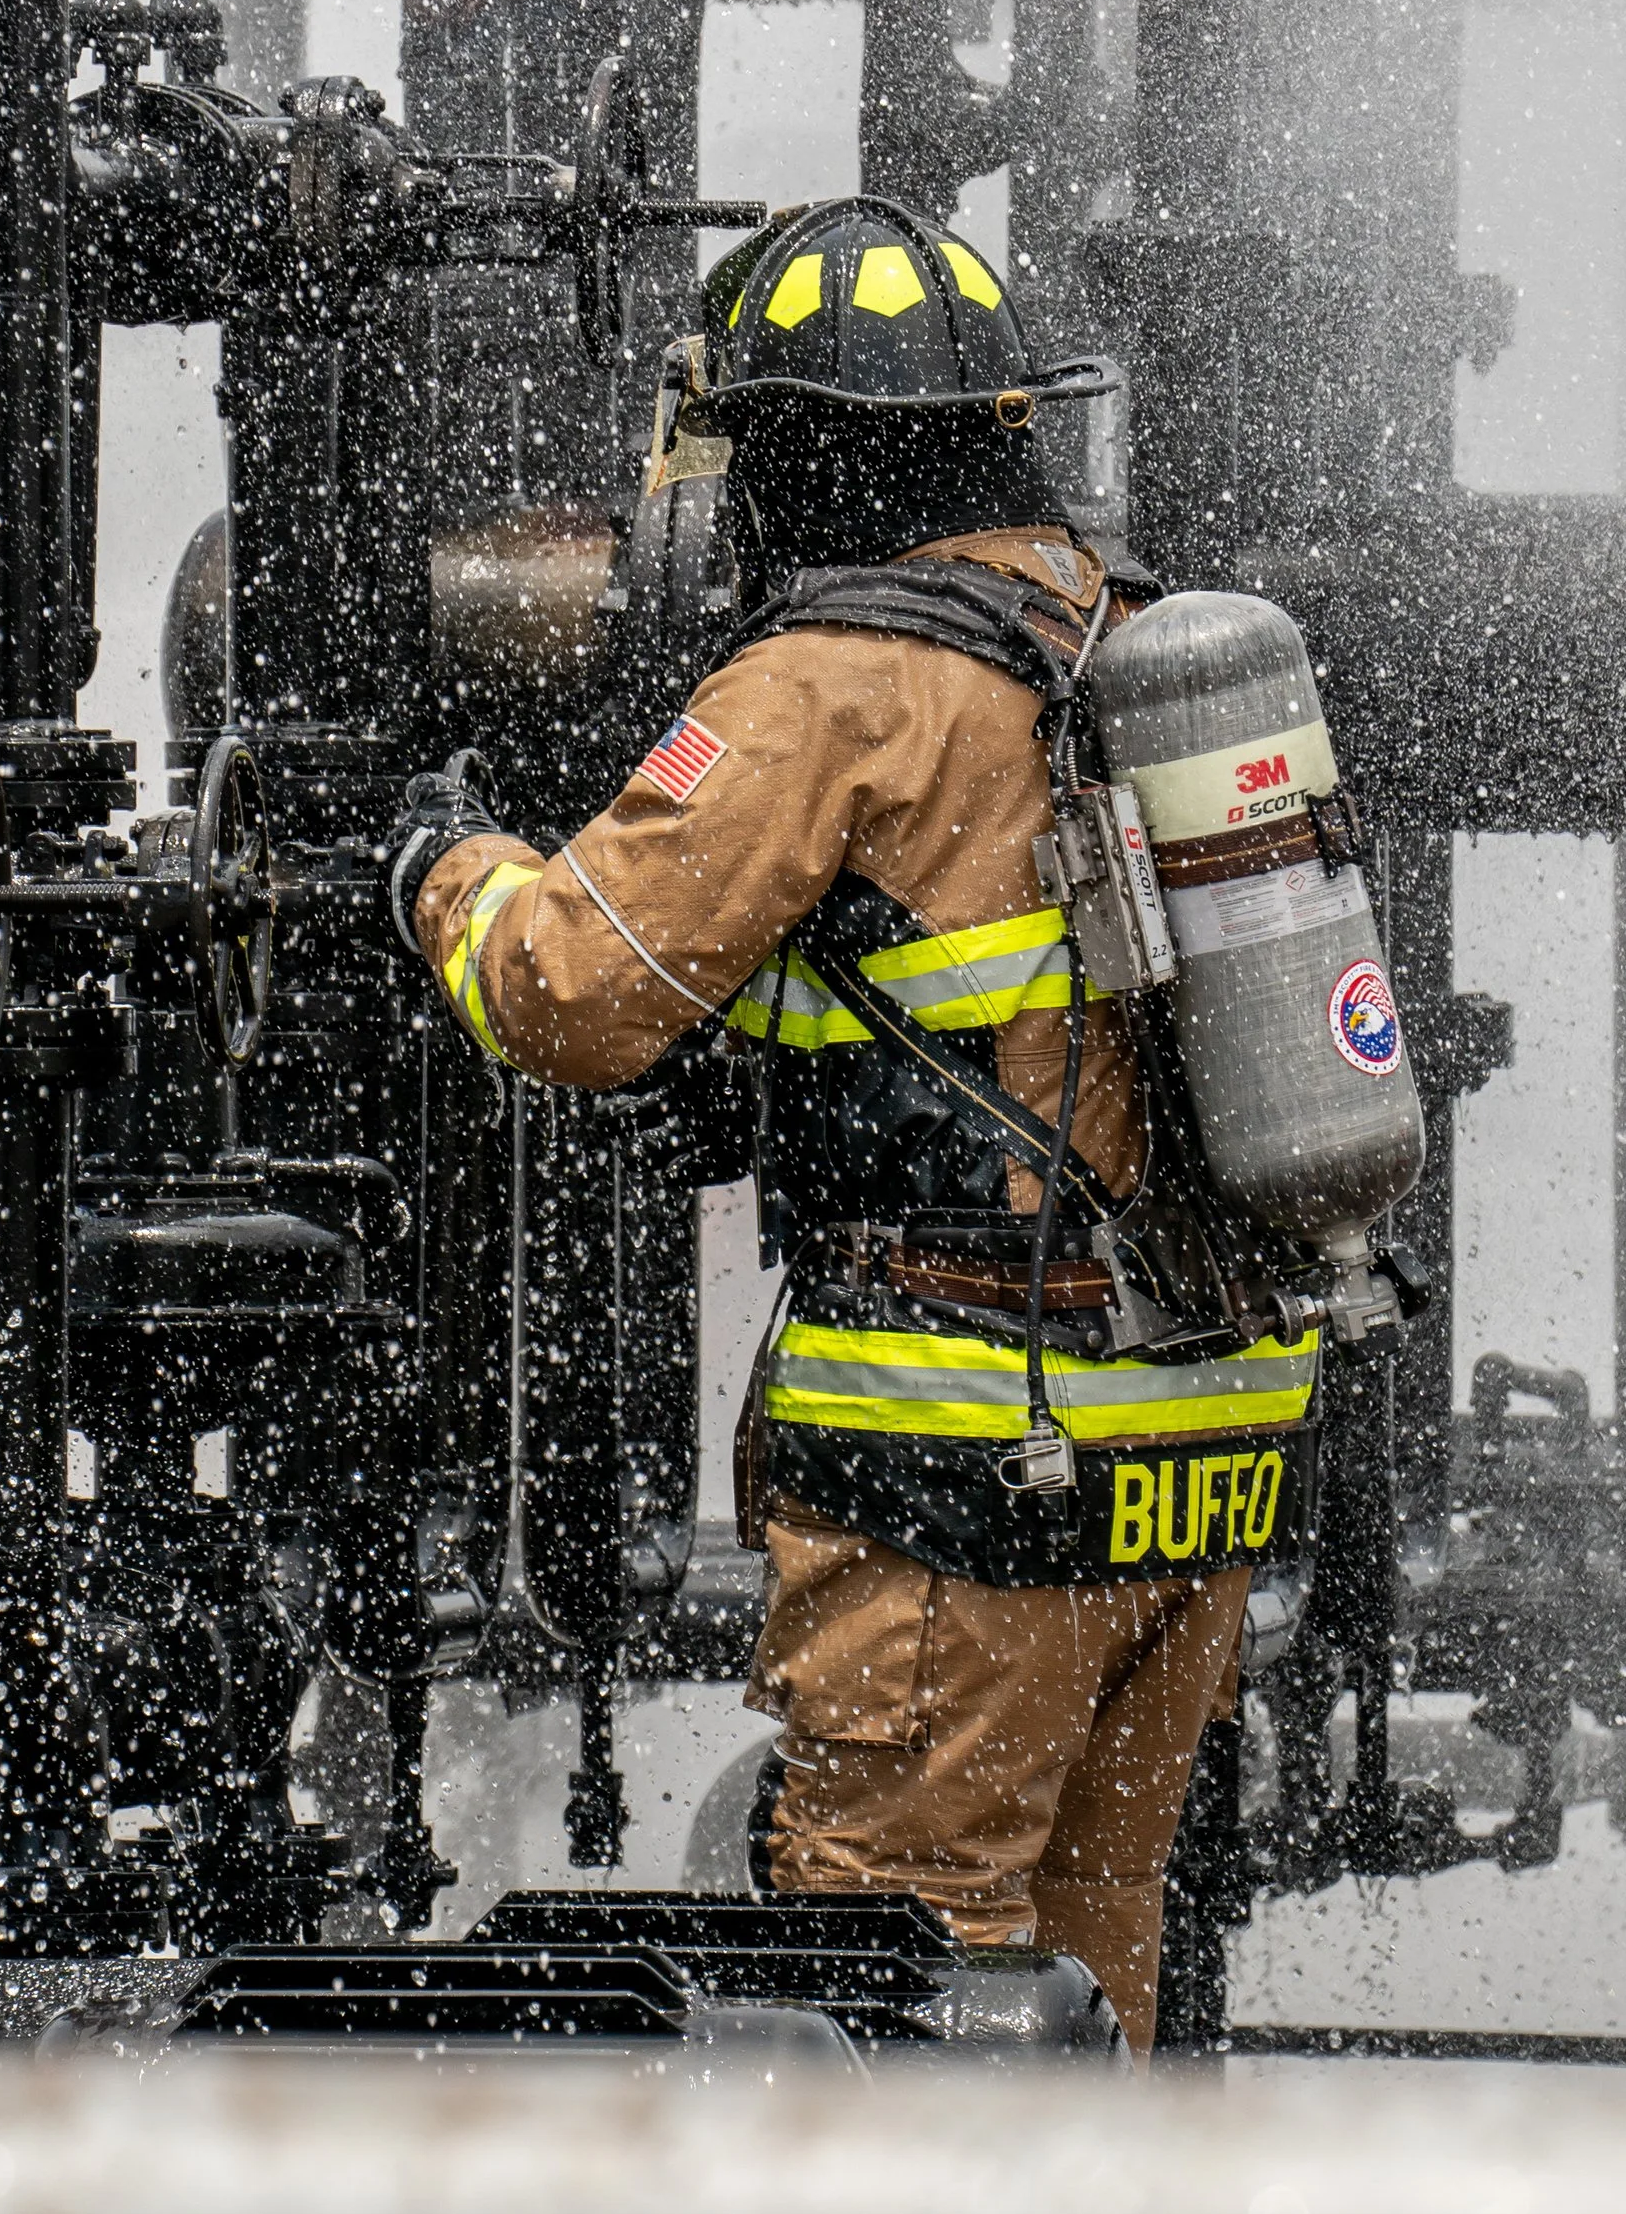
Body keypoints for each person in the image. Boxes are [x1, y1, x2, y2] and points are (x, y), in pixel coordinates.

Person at [387, 198, 1320, 2056]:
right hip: (1203, 1435)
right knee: (1087, 1970)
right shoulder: (1125, 638)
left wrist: (442, 866)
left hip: (978, 1448)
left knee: (898, 1986)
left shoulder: (833, 684)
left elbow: (572, 988)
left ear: (796, 449)